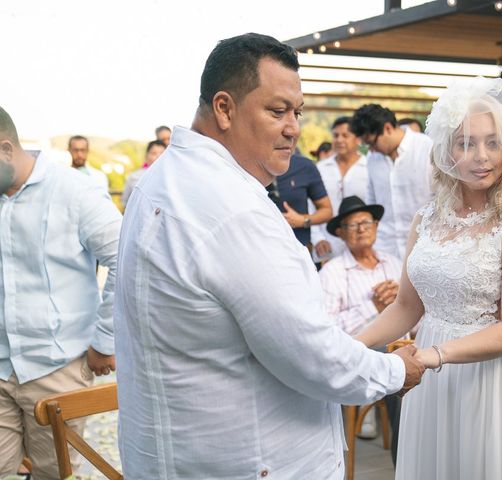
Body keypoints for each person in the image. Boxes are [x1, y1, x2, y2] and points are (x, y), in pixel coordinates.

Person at [114, 33, 425, 479]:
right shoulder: (231, 208)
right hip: (251, 458)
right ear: (224, 108)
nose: (294, 127)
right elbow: (308, 353)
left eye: (296, 112)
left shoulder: (160, 179)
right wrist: (395, 370)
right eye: (277, 111)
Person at [357, 77, 502, 479]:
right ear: (446, 152)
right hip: (428, 376)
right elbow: (407, 306)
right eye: (465, 143)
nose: (481, 156)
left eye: (492, 142)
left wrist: (432, 356)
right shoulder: (425, 219)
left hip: (492, 378)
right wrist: (351, 346)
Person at [0, 107, 121, 479]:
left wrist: (105, 340)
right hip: (0, 366)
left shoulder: (74, 191)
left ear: (5, 149)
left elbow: (127, 257)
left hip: (58, 368)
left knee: (53, 475)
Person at [320, 196, 403, 439]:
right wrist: (374, 308)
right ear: (341, 233)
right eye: (352, 225)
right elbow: (327, 329)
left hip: (405, 345)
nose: (361, 229)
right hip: (363, 354)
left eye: (366, 222)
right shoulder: (332, 272)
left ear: (376, 226)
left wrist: (402, 304)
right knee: (398, 369)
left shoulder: (393, 263)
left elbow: (418, 314)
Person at [350, 104, 434, 259]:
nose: (371, 150)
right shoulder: (372, 159)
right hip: (387, 249)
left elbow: (442, 198)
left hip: (426, 248)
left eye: (372, 143)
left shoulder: (427, 148)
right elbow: (372, 202)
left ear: (388, 128)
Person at [312, 117, 369, 261]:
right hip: (326, 245)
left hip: (362, 244)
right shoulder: (320, 168)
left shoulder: (369, 168)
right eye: (335, 135)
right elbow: (310, 206)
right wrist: (317, 238)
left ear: (358, 139)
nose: (339, 140)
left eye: (345, 135)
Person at [266, 152, 332, 250]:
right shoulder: (246, 164)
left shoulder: (304, 166)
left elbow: (327, 211)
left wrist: (303, 221)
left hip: (298, 249)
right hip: (261, 248)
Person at [121, 139, 166, 207]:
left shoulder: (171, 179)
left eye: (162, 154)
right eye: (154, 153)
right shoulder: (134, 177)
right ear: (146, 156)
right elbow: (125, 201)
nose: (158, 157)